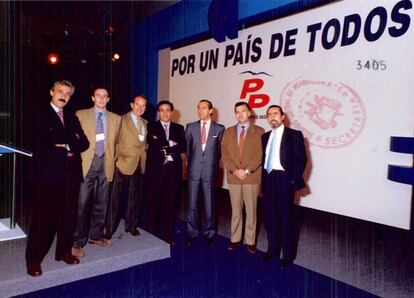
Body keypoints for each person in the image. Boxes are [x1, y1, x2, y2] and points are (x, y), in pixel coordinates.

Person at [26, 80, 89, 277]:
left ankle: (63, 252)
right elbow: (44, 142)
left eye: (68, 93)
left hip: (71, 174)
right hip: (48, 175)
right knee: (43, 219)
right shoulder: (40, 114)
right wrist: (68, 144)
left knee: (67, 217)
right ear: (51, 91)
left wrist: (66, 146)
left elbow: (84, 143)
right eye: (60, 91)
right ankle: (34, 260)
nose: (63, 96)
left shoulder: (71, 117)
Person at [72, 87, 121, 258]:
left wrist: (113, 158)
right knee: (82, 203)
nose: (101, 98)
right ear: (93, 97)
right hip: (87, 163)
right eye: (98, 95)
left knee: (103, 202)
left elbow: (117, 142)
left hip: (106, 163)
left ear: (108, 99)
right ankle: (77, 242)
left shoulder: (116, 118)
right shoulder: (80, 114)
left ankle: (95, 236)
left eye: (104, 96)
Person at [260, 105, 307, 268]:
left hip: (285, 180)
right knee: (270, 218)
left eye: (275, 114)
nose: (272, 117)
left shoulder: (295, 135)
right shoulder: (264, 137)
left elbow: (302, 160)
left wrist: (293, 181)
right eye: (269, 115)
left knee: (287, 219)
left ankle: (288, 256)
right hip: (268, 179)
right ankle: (272, 249)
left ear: (283, 117)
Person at [221, 102, 264, 253]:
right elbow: (224, 154)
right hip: (234, 177)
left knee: (251, 210)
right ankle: (235, 238)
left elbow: (260, 154)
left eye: (243, 111)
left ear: (250, 112)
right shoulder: (228, 132)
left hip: (251, 177)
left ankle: (250, 241)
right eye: (237, 112)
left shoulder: (260, 131)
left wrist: (246, 170)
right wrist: (235, 170)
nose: (240, 114)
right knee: (236, 210)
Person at [105, 95, 147, 238]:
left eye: (143, 106)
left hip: (138, 166)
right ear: (131, 104)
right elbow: (113, 142)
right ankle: (109, 230)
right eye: (137, 104)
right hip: (122, 165)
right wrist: (116, 159)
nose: (140, 108)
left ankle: (132, 226)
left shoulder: (145, 123)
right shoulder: (121, 120)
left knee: (135, 199)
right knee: (115, 200)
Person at [145, 100, 186, 245]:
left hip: (173, 172)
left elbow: (182, 147)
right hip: (156, 171)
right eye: (161, 110)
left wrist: (162, 142)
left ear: (172, 112)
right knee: (154, 203)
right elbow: (152, 143)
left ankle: (168, 235)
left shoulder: (179, 128)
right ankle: (152, 234)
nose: (165, 113)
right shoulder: (151, 126)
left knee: (171, 204)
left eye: (167, 110)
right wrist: (170, 143)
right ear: (158, 113)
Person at [185, 99, 224, 246]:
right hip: (193, 171)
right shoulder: (190, 127)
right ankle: (192, 232)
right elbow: (189, 150)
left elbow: (219, 152)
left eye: (203, 108)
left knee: (210, 204)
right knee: (192, 204)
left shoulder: (219, 129)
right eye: (198, 108)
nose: (200, 111)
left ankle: (209, 233)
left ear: (211, 111)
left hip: (210, 172)